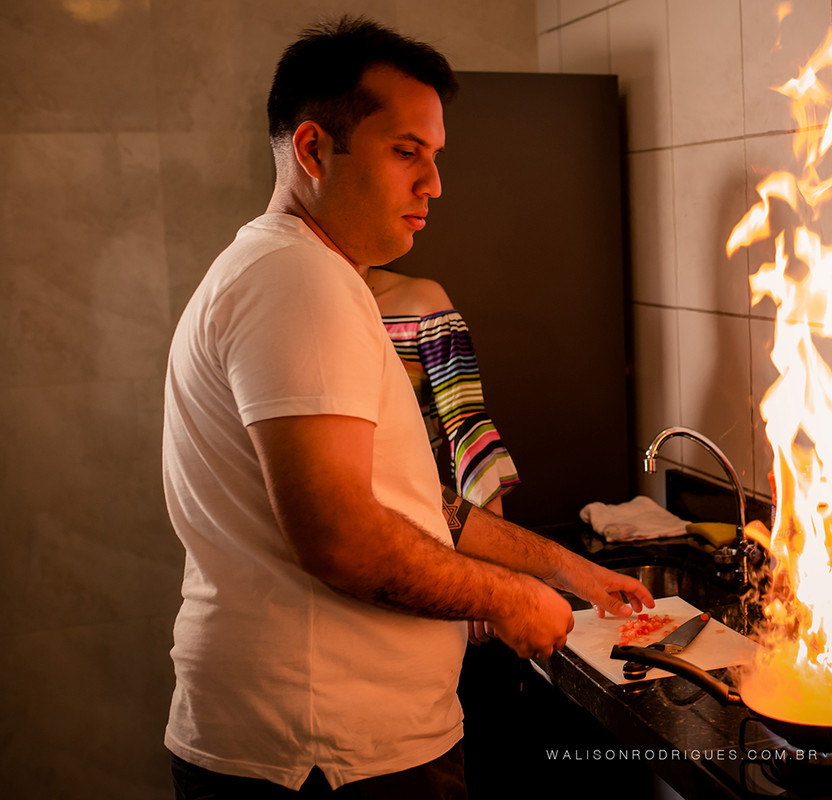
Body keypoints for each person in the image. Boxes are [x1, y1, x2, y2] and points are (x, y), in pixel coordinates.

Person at [161, 16, 653, 799]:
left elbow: (421, 508)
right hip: (324, 754)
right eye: (406, 152)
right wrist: (509, 598)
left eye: (435, 156)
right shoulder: (299, 280)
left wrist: (565, 569)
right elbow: (341, 537)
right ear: (315, 150)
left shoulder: (303, 274)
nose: (434, 184)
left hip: (323, 744)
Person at [367, 269, 517, 516]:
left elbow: (465, 423)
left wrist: (495, 541)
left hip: (408, 508)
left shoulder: (420, 303)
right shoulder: (299, 297)